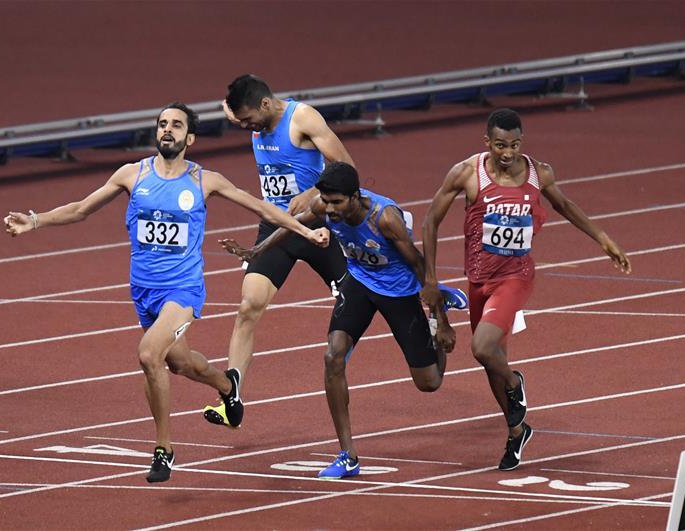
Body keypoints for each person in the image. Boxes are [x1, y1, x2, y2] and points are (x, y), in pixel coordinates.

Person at [3, 103, 329, 483]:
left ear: (190, 138)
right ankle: (229, 389)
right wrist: (36, 220)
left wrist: (307, 232)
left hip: (183, 290)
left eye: (176, 125)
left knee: (148, 355)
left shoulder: (205, 181)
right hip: (143, 291)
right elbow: (81, 209)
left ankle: (164, 449)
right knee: (181, 363)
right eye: (162, 124)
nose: (167, 130)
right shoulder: (131, 174)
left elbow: (263, 208)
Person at [219, 162, 467, 479]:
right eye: (327, 201)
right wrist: (257, 251)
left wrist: (440, 320)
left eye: (337, 202)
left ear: (355, 197)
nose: (331, 209)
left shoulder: (384, 218)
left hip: (398, 289)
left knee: (429, 383)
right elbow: (293, 224)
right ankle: (348, 455)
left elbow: (419, 265)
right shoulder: (322, 204)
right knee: (333, 356)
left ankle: (436, 319)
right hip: (360, 282)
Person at [421, 108, 632, 471]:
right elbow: (430, 221)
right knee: (491, 365)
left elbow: (564, 205)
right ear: (487, 142)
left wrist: (602, 238)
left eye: (515, 145)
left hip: (515, 277)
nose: (508, 153)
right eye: (500, 145)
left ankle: (516, 382)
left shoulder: (539, 173)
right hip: (479, 280)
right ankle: (516, 430)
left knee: (483, 349)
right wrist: (430, 279)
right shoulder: (466, 173)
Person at [203, 75, 354, 428]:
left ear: (266, 105)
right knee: (248, 307)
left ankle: (425, 315)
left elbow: (346, 167)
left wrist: (316, 191)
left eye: (248, 120)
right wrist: (232, 109)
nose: (245, 127)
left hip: (319, 226)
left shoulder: (303, 119)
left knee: (363, 298)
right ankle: (232, 398)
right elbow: (232, 108)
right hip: (277, 228)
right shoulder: (249, 110)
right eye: (240, 121)